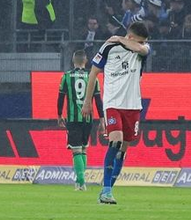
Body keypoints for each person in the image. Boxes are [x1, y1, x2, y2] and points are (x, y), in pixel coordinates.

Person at [82, 21, 150, 206]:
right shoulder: (109, 47)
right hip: (113, 102)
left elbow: (143, 50)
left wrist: (120, 38)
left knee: (123, 149)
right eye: (140, 41)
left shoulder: (142, 48)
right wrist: (87, 102)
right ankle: (106, 190)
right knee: (116, 140)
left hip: (133, 105)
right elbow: (93, 73)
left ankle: (107, 189)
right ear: (132, 37)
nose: (143, 44)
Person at [58, 48, 102, 191]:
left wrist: (59, 115)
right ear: (86, 61)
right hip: (88, 119)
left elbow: (61, 98)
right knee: (83, 149)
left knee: (76, 150)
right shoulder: (92, 77)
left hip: (73, 118)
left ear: (73, 61)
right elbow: (98, 100)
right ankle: (80, 181)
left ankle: (81, 181)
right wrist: (102, 119)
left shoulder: (66, 76)